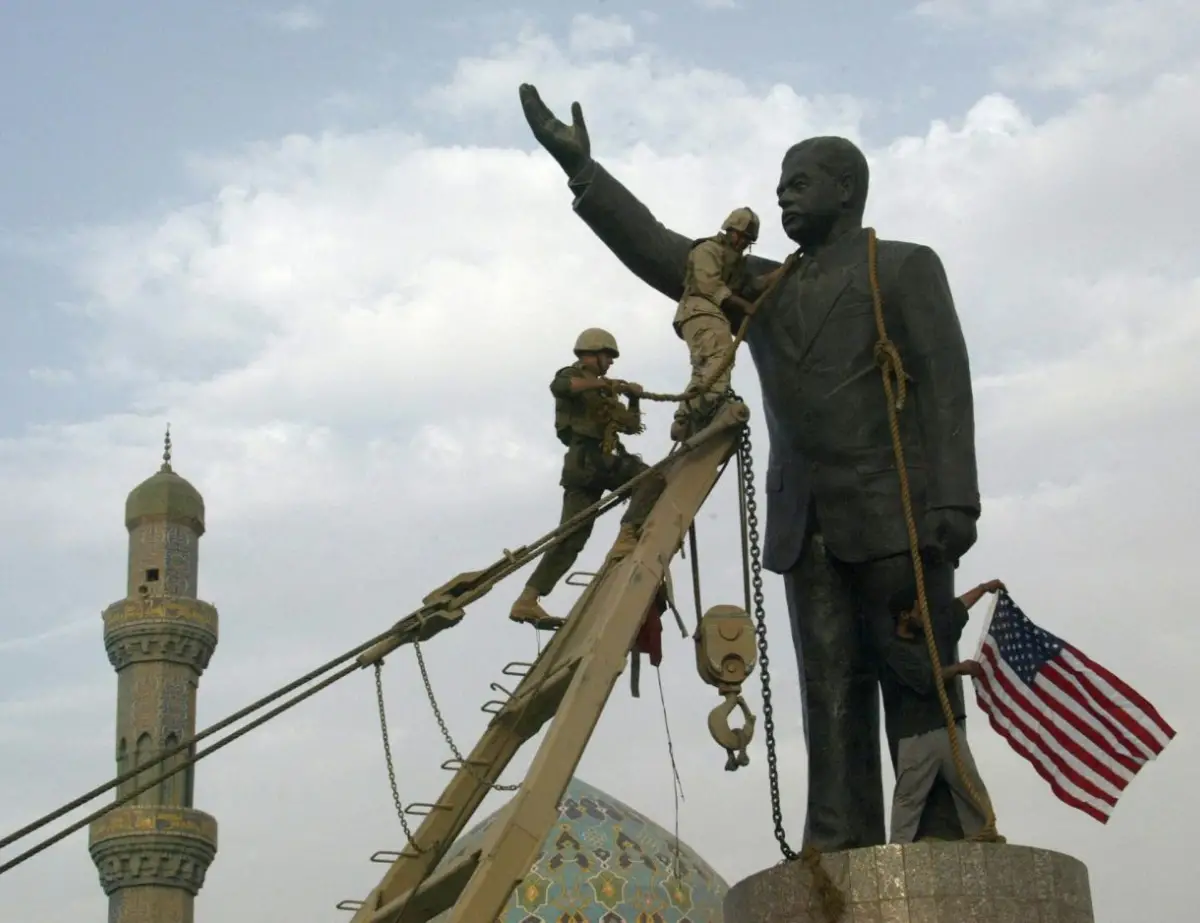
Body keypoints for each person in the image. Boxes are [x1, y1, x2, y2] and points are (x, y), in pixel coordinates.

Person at [520, 85, 981, 849]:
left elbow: (945, 381)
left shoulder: (902, 269)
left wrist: (954, 503)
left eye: (799, 184)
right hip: (806, 524)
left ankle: (941, 831)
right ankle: (837, 837)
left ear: (846, 190)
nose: (782, 198)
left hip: (898, 511)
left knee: (916, 671)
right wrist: (584, 173)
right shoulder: (762, 287)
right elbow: (664, 250)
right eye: (779, 186)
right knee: (828, 685)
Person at [509, 328, 666, 630]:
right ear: (592, 354)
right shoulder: (572, 376)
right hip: (588, 460)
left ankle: (527, 598)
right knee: (652, 479)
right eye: (608, 356)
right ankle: (626, 536)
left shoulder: (604, 391)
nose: (611, 363)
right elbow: (560, 386)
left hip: (595, 462)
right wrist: (607, 384)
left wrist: (633, 399)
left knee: (571, 536)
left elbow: (631, 426)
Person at [883, 578, 1006, 843]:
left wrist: (984, 588)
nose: (923, 614)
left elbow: (957, 610)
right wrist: (959, 668)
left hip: (946, 729)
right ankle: (899, 849)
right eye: (918, 610)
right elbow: (923, 680)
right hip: (916, 733)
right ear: (904, 615)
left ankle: (984, 835)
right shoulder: (894, 650)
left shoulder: (932, 634)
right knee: (909, 796)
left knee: (970, 786)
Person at [669, 207, 761, 443]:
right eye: (741, 236)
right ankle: (707, 407)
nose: (743, 242)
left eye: (748, 240)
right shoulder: (707, 249)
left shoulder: (735, 262)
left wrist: (783, 270)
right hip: (700, 309)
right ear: (729, 230)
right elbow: (709, 286)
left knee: (704, 368)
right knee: (721, 355)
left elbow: (750, 285)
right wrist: (744, 306)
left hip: (709, 313)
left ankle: (684, 419)